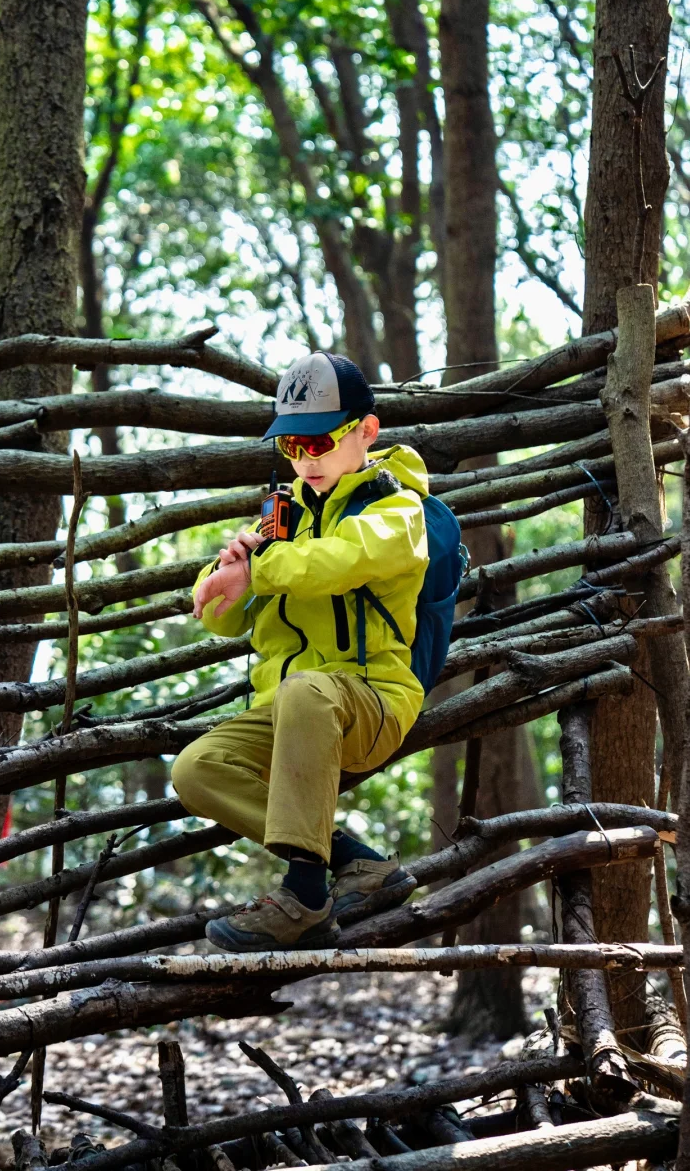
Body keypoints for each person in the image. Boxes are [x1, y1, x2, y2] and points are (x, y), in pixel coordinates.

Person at [171, 350, 431, 951]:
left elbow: (340, 561)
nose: (304, 458)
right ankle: (356, 862)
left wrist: (260, 568)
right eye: (291, 445)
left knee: (306, 691)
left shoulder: (398, 508)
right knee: (195, 770)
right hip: (288, 715)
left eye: (319, 442)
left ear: (366, 432)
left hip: (371, 704)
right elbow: (222, 619)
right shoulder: (280, 515)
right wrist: (229, 572)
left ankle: (304, 897)